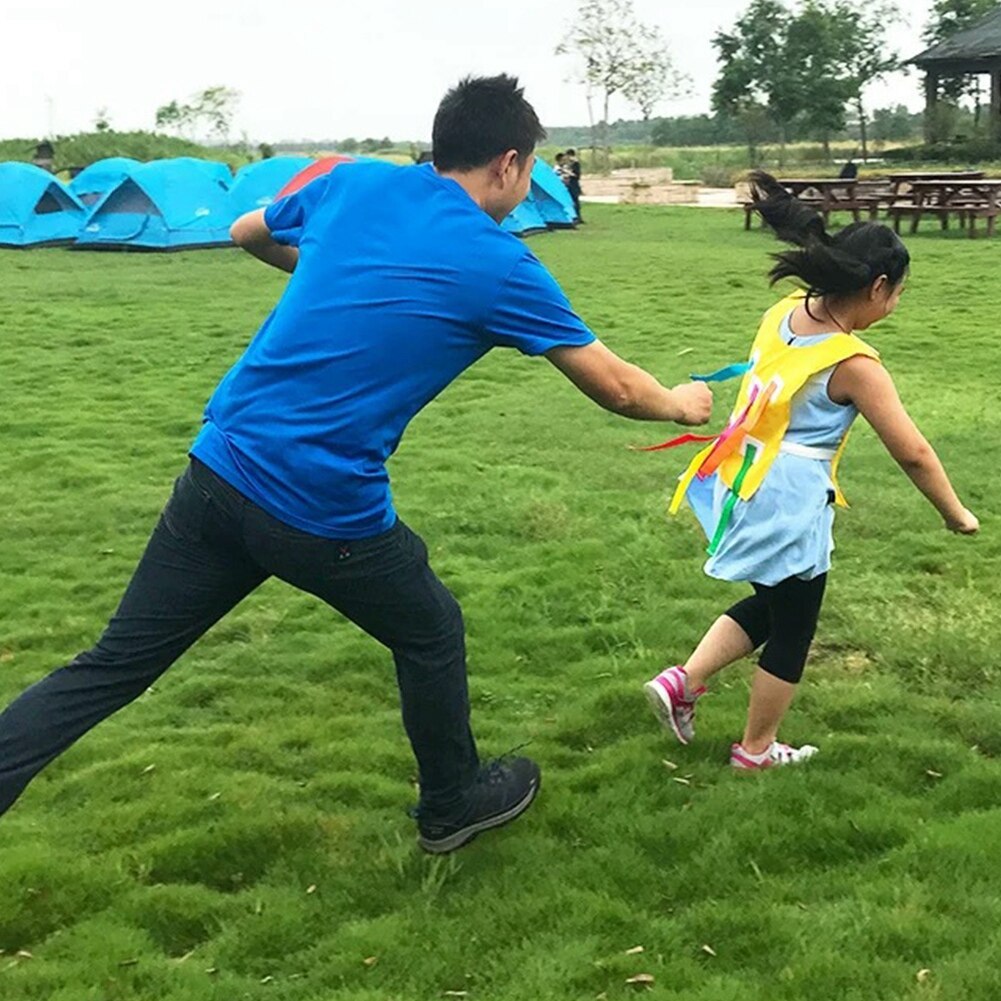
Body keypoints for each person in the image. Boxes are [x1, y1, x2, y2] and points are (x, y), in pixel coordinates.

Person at [0, 75, 712, 853]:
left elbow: (245, 231)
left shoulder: (355, 183)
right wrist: (681, 404)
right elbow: (614, 386)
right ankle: (451, 802)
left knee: (114, 662)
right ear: (508, 163)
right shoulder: (498, 263)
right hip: (318, 505)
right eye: (531, 168)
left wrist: (326, 269)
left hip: (218, 469)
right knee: (430, 625)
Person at [643, 171, 978, 770]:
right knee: (796, 624)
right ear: (878, 287)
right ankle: (756, 750)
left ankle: (681, 684)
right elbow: (913, 452)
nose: (895, 305)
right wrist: (957, 514)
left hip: (743, 474)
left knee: (776, 604)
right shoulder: (854, 363)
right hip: (789, 493)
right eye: (898, 293)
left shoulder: (783, 314)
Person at [564, 148, 583, 221]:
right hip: (570, 184)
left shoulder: (576, 164)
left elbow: (576, 175)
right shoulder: (570, 164)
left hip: (574, 184)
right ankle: (575, 216)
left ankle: (578, 216)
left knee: (575, 200)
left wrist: (568, 172)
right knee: (572, 200)